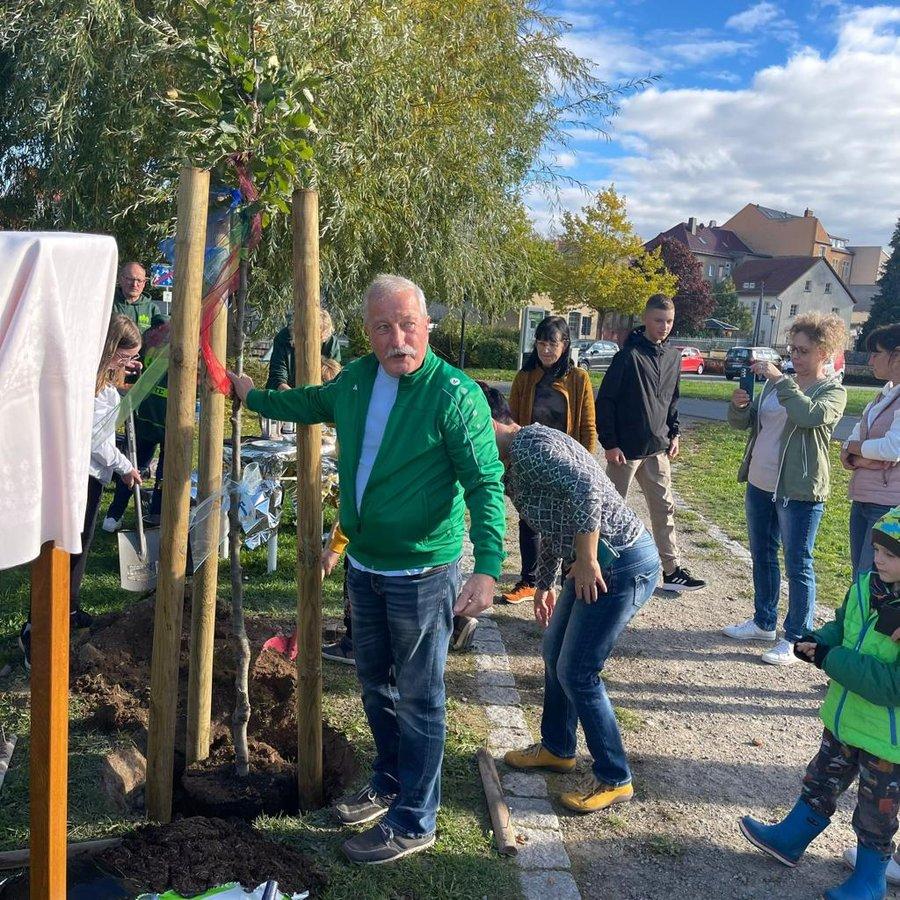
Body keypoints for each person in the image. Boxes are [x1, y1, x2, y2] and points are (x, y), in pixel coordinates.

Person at [228, 275, 505, 865]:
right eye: (384, 327)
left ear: (427, 325)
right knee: (374, 684)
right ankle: (389, 779)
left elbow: (485, 484)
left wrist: (486, 567)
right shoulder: (355, 380)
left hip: (423, 573)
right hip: (364, 566)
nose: (398, 338)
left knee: (420, 697)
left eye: (408, 325)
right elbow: (306, 404)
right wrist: (252, 396)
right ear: (368, 333)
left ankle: (415, 820)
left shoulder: (455, 395)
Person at [475, 382, 659, 812]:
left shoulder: (530, 447)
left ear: (488, 422)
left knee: (578, 671)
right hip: (591, 562)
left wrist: (588, 558)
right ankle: (558, 748)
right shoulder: (510, 462)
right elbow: (553, 518)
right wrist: (545, 582)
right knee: (555, 652)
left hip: (619, 563)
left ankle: (615, 777)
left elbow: (586, 488)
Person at [738, 507, 900, 899]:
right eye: (877, 549)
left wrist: (830, 658)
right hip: (844, 719)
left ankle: (870, 881)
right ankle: (789, 839)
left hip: (887, 741)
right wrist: (818, 640)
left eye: (890, 554)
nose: (878, 559)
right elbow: (843, 626)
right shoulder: (865, 586)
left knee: (875, 812)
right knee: (821, 779)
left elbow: (890, 685)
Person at [723, 313, 848, 665]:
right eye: (792, 349)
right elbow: (749, 424)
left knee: (798, 564)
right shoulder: (777, 385)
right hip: (760, 483)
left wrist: (780, 380)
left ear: (824, 352)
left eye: (804, 351)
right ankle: (763, 622)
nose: (795, 356)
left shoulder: (832, 392)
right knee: (762, 555)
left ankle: (795, 637)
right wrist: (738, 407)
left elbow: (809, 416)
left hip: (799, 490)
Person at [19, 315, 143, 668]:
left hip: (93, 475)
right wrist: (124, 467)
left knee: (81, 547)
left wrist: (123, 376)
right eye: (125, 356)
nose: (128, 363)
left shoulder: (105, 381)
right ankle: (34, 629)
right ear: (110, 349)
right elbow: (94, 438)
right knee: (63, 550)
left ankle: (68, 608)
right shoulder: (90, 383)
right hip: (80, 475)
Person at [595, 294, 705, 592]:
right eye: (658, 320)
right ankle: (595, 564)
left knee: (664, 509)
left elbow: (672, 400)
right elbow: (605, 401)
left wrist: (674, 433)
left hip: (658, 448)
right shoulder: (627, 356)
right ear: (645, 319)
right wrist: (610, 443)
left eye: (669, 321)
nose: (664, 326)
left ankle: (671, 571)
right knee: (608, 511)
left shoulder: (673, 357)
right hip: (624, 452)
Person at [501, 315, 596, 604]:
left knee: (566, 524)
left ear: (565, 345)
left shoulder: (578, 378)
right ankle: (529, 581)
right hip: (531, 459)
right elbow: (510, 420)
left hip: (565, 463)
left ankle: (570, 580)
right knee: (530, 519)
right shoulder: (525, 377)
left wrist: (587, 464)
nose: (545, 350)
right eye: (541, 343)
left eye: (551, 344)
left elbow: (588, 426)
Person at [842, 324, 900, 579]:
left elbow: (892, 448)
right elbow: (851, 440)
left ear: (897, 355)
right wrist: (858, 454)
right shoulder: (884, 395)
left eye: (876, 353)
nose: (870, 360)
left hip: (888, 504)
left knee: (871, 579)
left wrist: (855, 450)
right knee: (861, 577)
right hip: (865, 498)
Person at [101, 313, 170, 532]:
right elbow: (127, 377)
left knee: (163, 474)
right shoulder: (150, 347)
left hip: (168, 421)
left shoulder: (180, 350)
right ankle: (115, 513)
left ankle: (155, 515)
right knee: (133, 467)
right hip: (147, 418)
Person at [266, 308, 342, 391]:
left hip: (319, 393)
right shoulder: (283, 338)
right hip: (286, 393)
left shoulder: (330, 342)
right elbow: (277, 379)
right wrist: (297, 396)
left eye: (319, 337)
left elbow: (334, 378)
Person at [112, 262, 161, 333]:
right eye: (130, 279)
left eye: (139, 280)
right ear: (121, 279)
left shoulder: (152, 309)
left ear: (144, 283)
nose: (134, 284)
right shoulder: (109, 303)